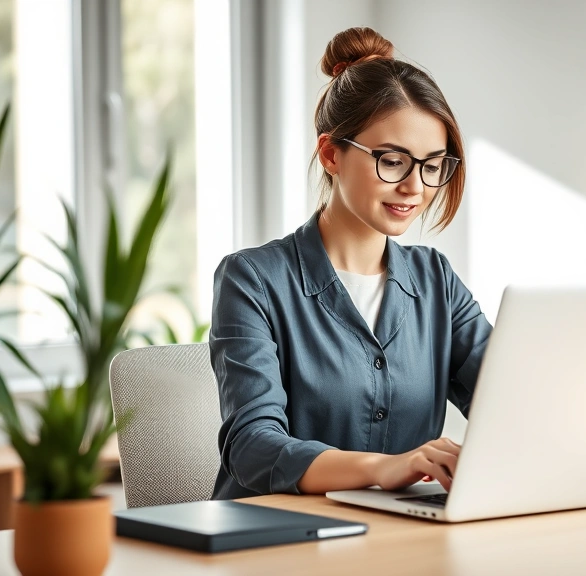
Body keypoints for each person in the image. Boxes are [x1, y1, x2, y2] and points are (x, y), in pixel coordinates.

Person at [210, 27, 492, 499]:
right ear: (330, 154)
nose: (415, 187)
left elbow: (509, 399)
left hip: (394, 542)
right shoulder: (252, 281)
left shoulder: (436, 281)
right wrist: (387, 467)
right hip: (274, 545)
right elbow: (253, 449)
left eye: (432, 165)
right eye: (393, 160)